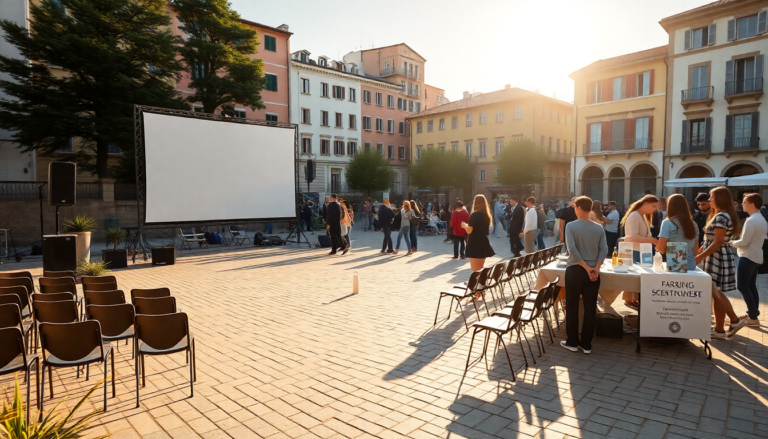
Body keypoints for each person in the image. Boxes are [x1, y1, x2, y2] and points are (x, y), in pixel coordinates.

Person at [695, 186, 748, 339]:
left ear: (719, 199)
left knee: (716, 293)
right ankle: (731, 322)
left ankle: (721, 329)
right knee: (716, 292)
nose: (709, 199)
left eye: (711, 197)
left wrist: (700, 257)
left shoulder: (720, 217)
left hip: (717, 256)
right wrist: (699, 253)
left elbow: (717, 242)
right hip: (717, 255)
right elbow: (710, 241)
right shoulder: (722, 215)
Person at [561, 196, 608, 355]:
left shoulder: (571, 226)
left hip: (575, 269)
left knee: (572, 306)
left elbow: (572, 250)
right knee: (590, 307)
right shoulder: (598, 227)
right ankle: (586, 344)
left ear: (578, 208)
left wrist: (587, 267)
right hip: (593, 270)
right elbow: (604, 249)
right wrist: (595, 268)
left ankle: (572, 341)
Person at [731, 193, 767, 327]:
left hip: (748, 256)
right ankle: (753, 314)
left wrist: (732, 243)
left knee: (742, 286)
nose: (742, 204)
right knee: (751, 286)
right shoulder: (761, 219)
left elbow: (744, 242)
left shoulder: (751, 220)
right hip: (756, 256)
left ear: (752, 204)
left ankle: (753, 317)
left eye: (744, 202)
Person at [621, 195, 659, 309]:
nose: (654, 209)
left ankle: (634, 299)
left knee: (638, 276)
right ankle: (628, 300)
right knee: (633, 276)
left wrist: (651, 241)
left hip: (641, 249)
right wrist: (652, 240)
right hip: (634, 249)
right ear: (645, 203)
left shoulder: (642, 215)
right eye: (653, 206)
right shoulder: (634, 215)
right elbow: (634, 236)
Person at [657, 194, 699, 273]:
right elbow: (696, 251)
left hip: (674, 266)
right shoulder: (693, 224)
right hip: (691, 265)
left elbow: (662, 249)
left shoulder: (667, 223)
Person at [462, 194, 495, 271]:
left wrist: (464, 226)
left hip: (474, 243)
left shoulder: (474, 214)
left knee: (476, 270)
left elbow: (469, 231)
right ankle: (483, 278)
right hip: (483, 241)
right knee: (480, 267)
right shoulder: (486, 215)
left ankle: (480, 279)